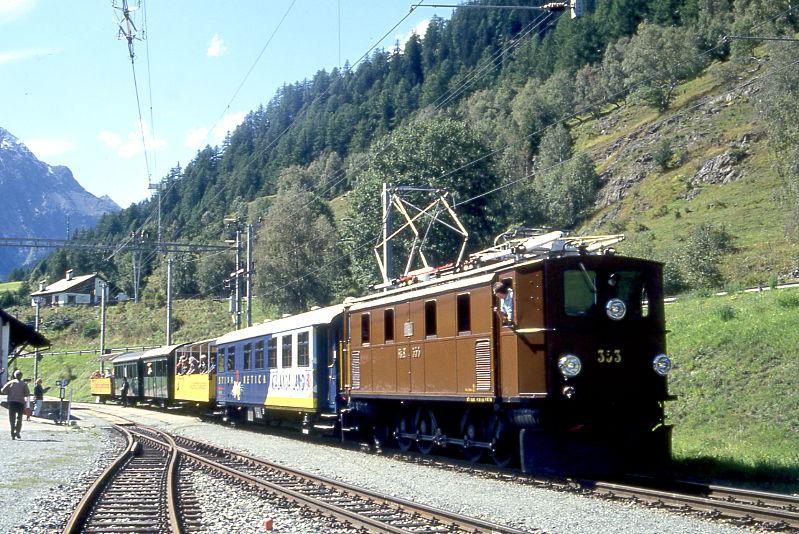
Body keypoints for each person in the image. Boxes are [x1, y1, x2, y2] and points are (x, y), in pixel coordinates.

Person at [2, 370, 31, 440]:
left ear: (15, 376)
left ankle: (12, 433)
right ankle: (17, 431)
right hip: (20, 402)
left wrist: (9, 392)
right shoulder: (24, 384)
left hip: (11, 402)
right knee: (19, 418)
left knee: (12, 418)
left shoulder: (10, 382)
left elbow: (3, 390)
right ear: (21, 376)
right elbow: (27, 393)